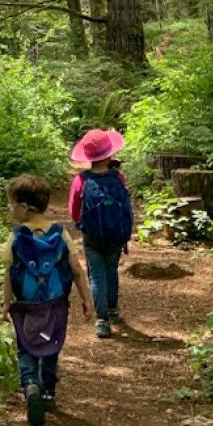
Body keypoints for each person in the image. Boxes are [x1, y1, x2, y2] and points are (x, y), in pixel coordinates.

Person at [0, 174, 92, 426]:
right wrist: (87, 300)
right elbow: (76, 270)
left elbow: (8, 272)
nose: (11, 210)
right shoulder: (60, 234)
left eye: (11, 205)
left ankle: (30, 384)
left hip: (27, 305)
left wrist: (6, 303)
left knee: (26, 347)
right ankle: (48, 392)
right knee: (51, 345)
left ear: (24, 206)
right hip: (56, 304)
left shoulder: (16, 236)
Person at [68, 128, 134, 339]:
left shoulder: (82, 180)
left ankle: (102, 320)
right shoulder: (119, 177)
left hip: (93, 237)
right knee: (111, 271)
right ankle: (113, 310)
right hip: (116, 235)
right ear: (109, 153)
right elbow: (126, 207)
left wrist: (81, 223)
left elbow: (73, 210)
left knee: (96, 276)